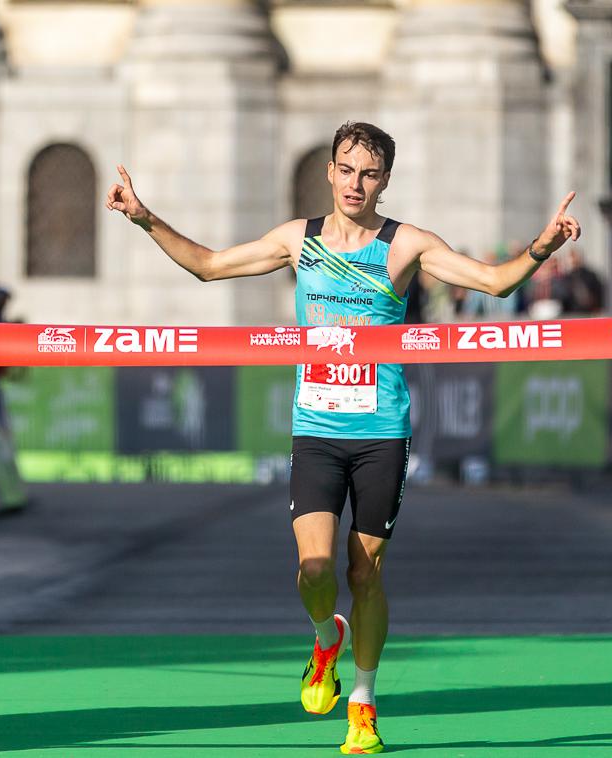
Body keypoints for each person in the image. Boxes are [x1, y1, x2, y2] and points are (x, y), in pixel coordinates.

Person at [107, 121, 580, 754]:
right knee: (315, 567)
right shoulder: (298, 241)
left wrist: (542, 247)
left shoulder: (405, 245)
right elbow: (210, 266)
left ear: (385, 181)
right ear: (329, 172)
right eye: (347, 170)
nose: (356, 184)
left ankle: (363, 703)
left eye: (370, 173)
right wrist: (144, 217)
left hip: (381, 430)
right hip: (318, 428)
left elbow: (493, 283)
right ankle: (325, 637)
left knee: (366, 572)